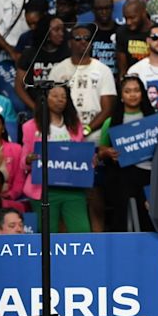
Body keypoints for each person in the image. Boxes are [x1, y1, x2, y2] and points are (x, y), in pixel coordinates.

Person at [21, 84, 91, 233]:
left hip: (72, 188)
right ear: (44, 98)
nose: (60, 100)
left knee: (82, 231)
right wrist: (29, 159)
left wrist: (90, 160)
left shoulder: (75, 125)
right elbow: (23, 163)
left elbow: (81, 154)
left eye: (63, 97)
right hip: (43, 190)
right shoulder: (30, 127)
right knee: (47, 234)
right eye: (54, 96)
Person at [98, 74, 156, 232]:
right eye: (128, 91)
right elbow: (101, 150)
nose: (132, 94)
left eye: (137, 90)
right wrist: (108, 152)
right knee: (121, 216)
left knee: (149, 217)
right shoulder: (111, 122)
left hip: (150, 175)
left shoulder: (154, 119)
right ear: (121, 96)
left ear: (142, 94)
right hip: (122, 176)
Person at [48, 24, 116, 144]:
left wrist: (86, 130)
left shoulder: (103, 70)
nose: (83, 41)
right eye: (78, 38)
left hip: (94, 134)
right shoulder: (58, 70)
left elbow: (108, 109)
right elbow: (50, 103)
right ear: (69, 43)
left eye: (87, 39)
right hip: (63, 133)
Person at [15, 15, 70, 110]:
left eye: (63, 30)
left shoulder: (68, 54)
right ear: (46, 33)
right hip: (35, 107)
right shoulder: (29, 54)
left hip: (62, 108)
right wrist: (35, 108)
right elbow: (19, 86)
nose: (61, 33)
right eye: (56, 30)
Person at [116, 0, 152, 77]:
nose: (128, 22)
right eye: (126, 18)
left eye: (132, 18)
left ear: (143, 13)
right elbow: (122, 70)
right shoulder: (122, 32)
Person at [90, 0, 118, 78]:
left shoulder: (121, 32)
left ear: (112, 8)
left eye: (107, 8)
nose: (104, 12)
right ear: (93, 10)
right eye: (100, 9)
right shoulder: (87, 32)